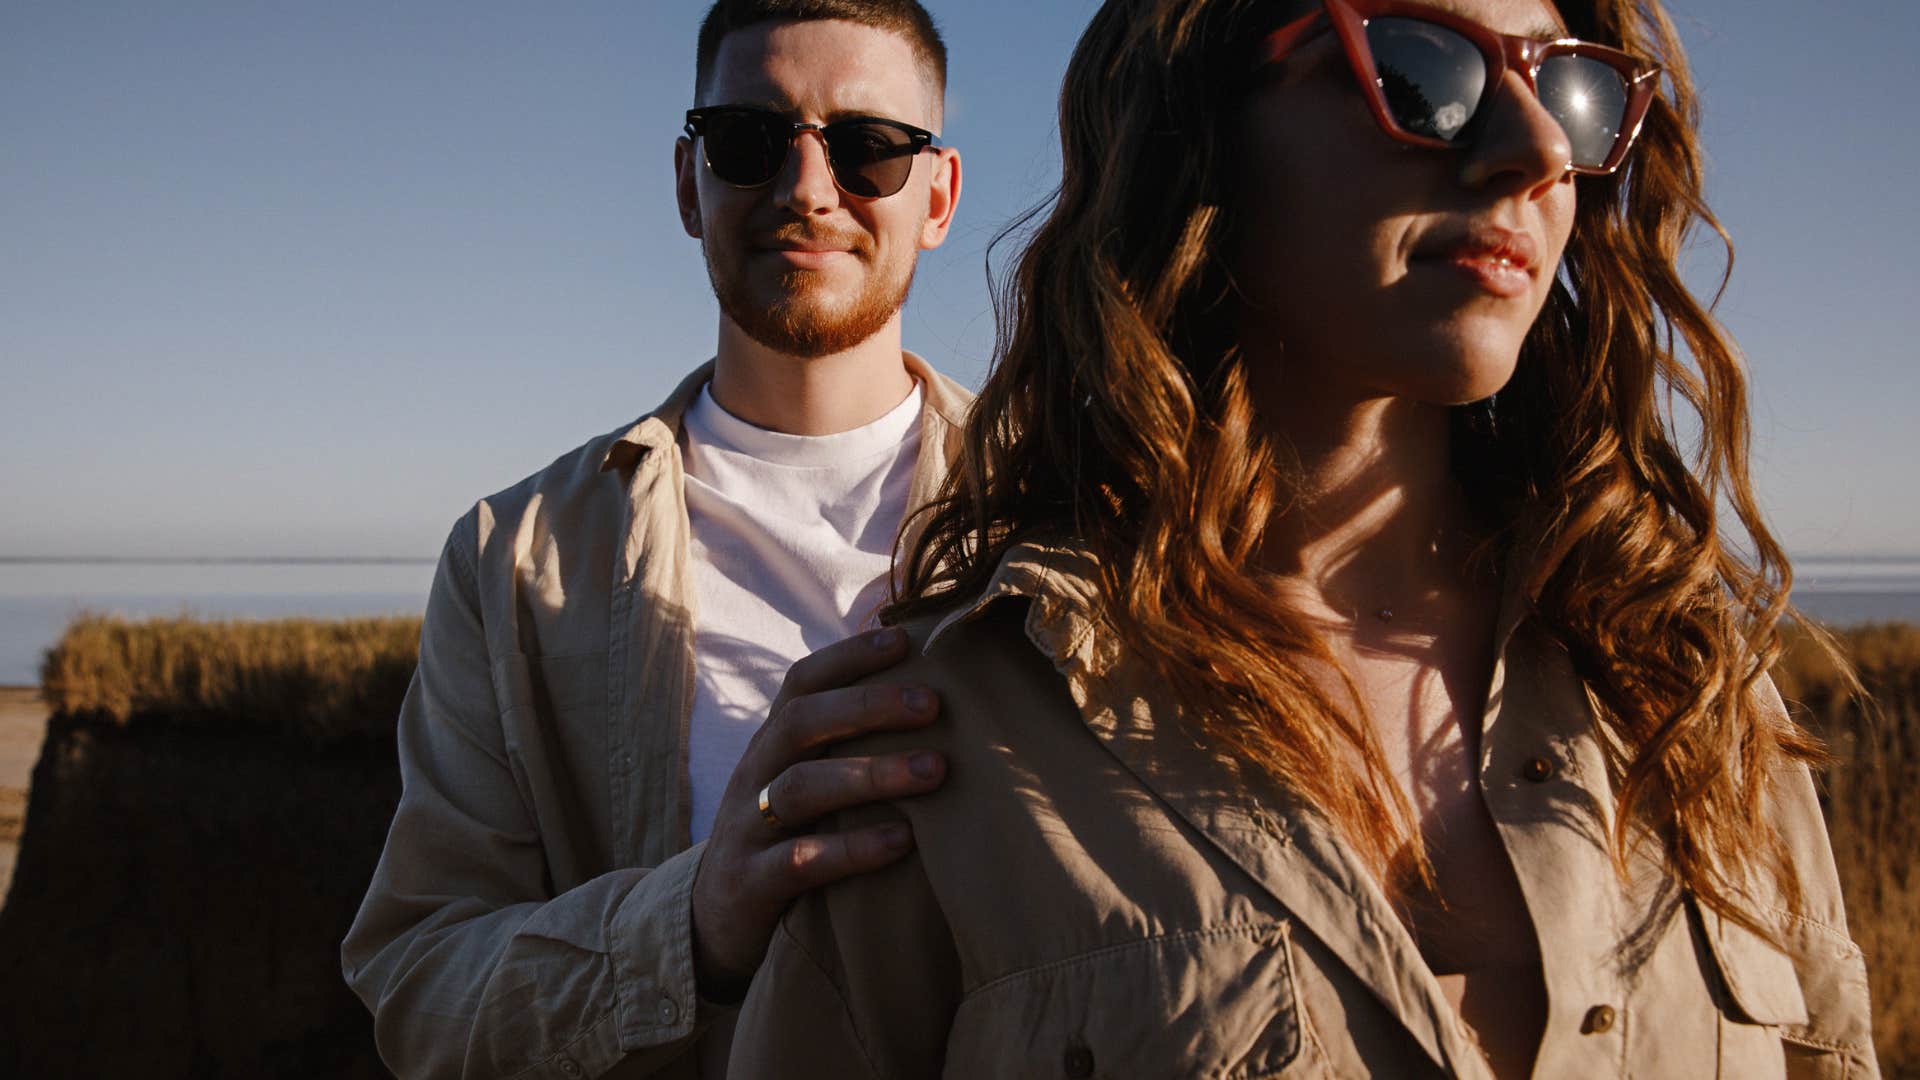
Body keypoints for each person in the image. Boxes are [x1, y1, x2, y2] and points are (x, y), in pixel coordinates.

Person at [726, 0, 1880, 1077]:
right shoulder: (948, 735)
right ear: (1200, 124)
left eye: (1572, 91)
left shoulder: (1681, 681)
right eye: (1424, 72)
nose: (1533, 150)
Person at [341, 2, 967, 1076]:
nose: (808, 191)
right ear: (689, 183)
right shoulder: (513, 556)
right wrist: (690, 926)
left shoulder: (1084, 516)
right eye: (749, 142)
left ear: (940, 195)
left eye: (869, 149)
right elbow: (418, 983)